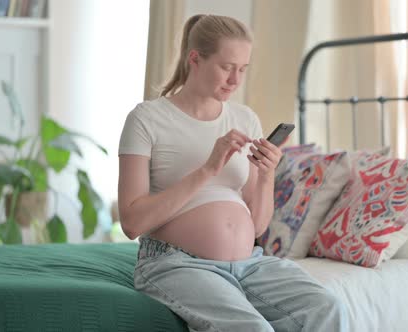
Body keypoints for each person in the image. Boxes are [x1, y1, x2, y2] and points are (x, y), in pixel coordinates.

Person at [118, 14, 349, 332]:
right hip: (174, 263)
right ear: (195, 59)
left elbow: (257, 225)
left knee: (327, 308)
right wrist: (209, 169)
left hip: (249, 263)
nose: (235, 80)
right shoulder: (146, 119)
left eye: (243, 69)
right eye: (227, 67)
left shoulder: (245, 119)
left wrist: (267, 175)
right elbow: (132, 223)